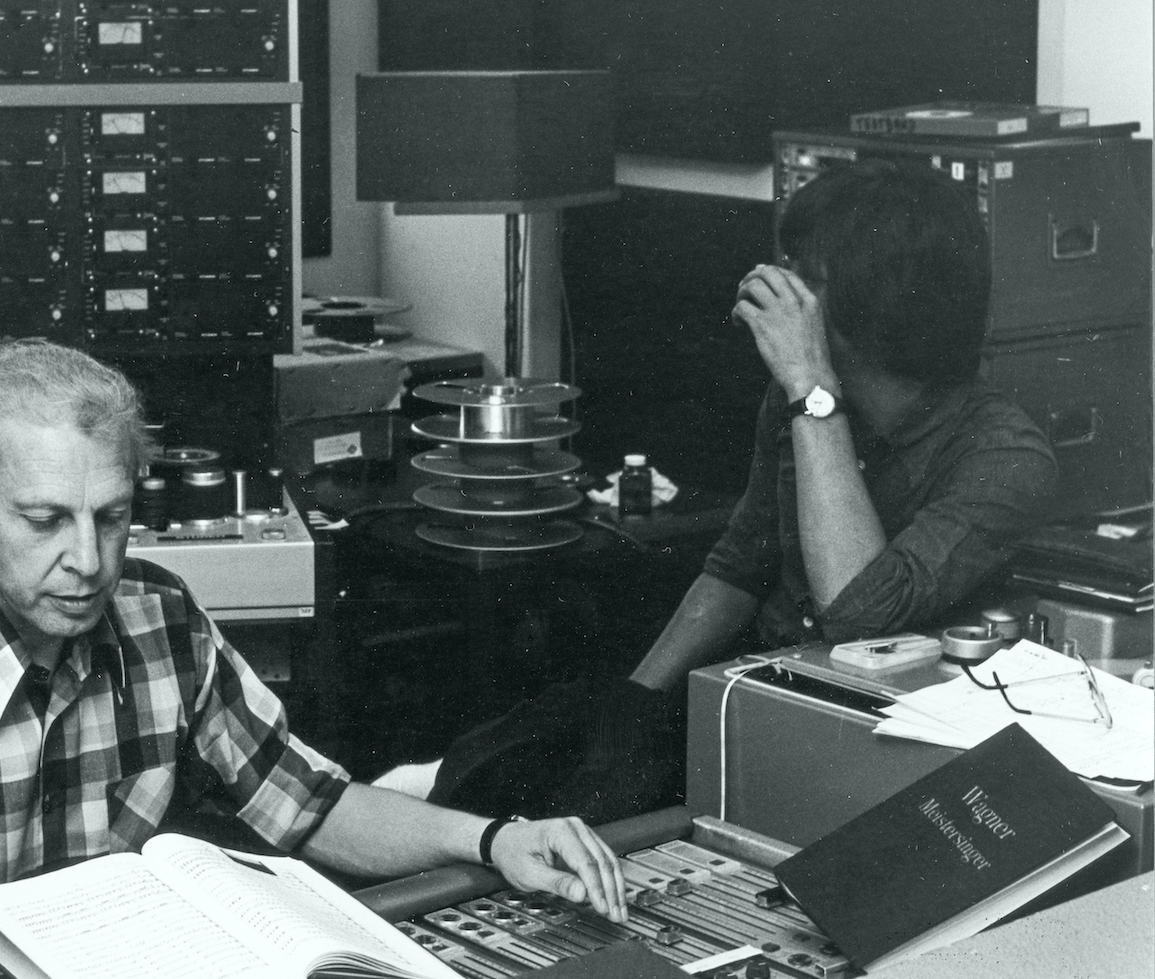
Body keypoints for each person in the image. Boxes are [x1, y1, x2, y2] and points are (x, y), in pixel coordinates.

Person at [0, 339, 627, 979]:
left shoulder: (161, 616)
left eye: (112, 517)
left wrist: (492, 838)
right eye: (45, 521)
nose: (88, 560)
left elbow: (310, 808)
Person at [394, 157, 1058, 822]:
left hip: (851, 731)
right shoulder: (800, 402)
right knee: (521, 749)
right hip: (752, 679)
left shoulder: (1002, 456)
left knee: (586, 813)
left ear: (866, 303)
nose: (771, 285)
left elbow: (855, 616)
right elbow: (739, 565)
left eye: (800, 272)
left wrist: (811, 388)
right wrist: (630, 707)